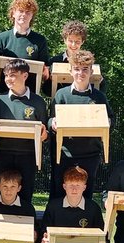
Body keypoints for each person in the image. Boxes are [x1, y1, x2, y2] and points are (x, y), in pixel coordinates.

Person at [48, 49, 112, 199]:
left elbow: (111, 120)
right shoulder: (62, 95)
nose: (80, 73)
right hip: (65, 154)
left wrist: (108, 122)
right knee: (59, 194)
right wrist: (53, 123)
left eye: (85, 69)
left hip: (90, 154)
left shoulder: (99, 96)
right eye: (76, 69)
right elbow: (50, 119)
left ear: (91, 71)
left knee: (86, 195)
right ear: (70, 71)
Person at [0, 58, 49, 200]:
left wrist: (44, 135)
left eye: (13, 75)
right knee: (0, 194)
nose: (8, 79)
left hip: (28, 156)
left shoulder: (38, 102)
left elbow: (45, 133)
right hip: (2, 154)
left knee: (25, 194)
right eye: (6, 75)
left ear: (25, 76)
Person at [0, 0, 49, 94]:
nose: (24, 15)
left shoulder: (40, 40)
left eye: (28, 12)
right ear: (13, 13)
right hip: (5, 93)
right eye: (21, 11)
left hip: (30, 94)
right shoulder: (2, 38)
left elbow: (45, 67)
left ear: (32, 16)